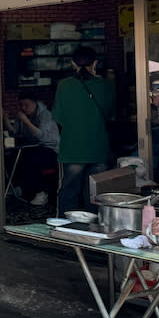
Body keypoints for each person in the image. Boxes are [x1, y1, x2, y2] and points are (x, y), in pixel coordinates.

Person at [52, 45, 116, 214]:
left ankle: (65, 229)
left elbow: (59, 118)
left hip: (72, 149)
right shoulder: (106, 85)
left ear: (73, 64)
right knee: (95, 196)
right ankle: (95, 230)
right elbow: (111, 114)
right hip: (98, 148)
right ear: (95, 63)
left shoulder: (64, 86)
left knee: (69, 192)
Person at [4, 91, 60, 206]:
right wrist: (6, 119)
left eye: (26, 105)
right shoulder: (23, 116)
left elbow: (42, 137)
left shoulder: (46, 116)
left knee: (31, 159)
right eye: (21, 105)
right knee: (11, 157)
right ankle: (17, 187)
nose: (24, 108)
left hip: (50, 150)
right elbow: (16, 133)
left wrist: (26, 121)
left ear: (35, 103)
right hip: (32, 147)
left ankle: (41, 193)